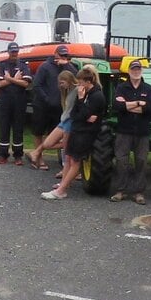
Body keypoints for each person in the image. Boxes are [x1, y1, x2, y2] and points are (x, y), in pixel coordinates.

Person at [42, 64, 107, 200]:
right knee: (68, 157)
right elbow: (75, 114)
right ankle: (64, 184)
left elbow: (83, 113)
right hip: (78, 129)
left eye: (81, 81)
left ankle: (61, 190)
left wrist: (82, 103)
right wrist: (83, 112)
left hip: (87, 133)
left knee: (76, 161)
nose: (79, 84)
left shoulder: (96, 96)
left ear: (88, 82)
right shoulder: (83, 94)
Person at [110, 59, 151, 202]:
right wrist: (138, 104)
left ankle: (139, 192)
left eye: (138, 69)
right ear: (129, 71)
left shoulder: (148, 88)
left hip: (142, 132)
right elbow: (117, 106)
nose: (136, 71)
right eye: (133, 69)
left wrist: (128, 106)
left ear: (141, 71)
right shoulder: (121, 88)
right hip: (124, 130)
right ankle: (120, 191)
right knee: (121, 160)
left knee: (142, 161)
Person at [0, 42, 31, 163]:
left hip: (19, 100)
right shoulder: (2, 65)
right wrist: (14, 79)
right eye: (12, 52)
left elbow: (25, 83)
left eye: (16, 52)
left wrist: (8, 78)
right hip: (5, 100)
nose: (14, 54)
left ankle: (18, 155)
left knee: (18, 127)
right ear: (8, 52)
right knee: (3, 126)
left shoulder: (24, 65)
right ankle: (3, 154)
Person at [30, 45, 70, 142]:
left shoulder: (67, 67)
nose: (63, 57)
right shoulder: (45, 66)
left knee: (56, 133)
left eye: (65, 55)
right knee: (38, 132)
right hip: (43, 105)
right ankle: (38, 156)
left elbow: (76, 78)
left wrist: (67, 64)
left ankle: (52, 154)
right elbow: (36, 85)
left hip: (58, 106)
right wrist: (47, 99)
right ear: (55, 54)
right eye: (61, 55)